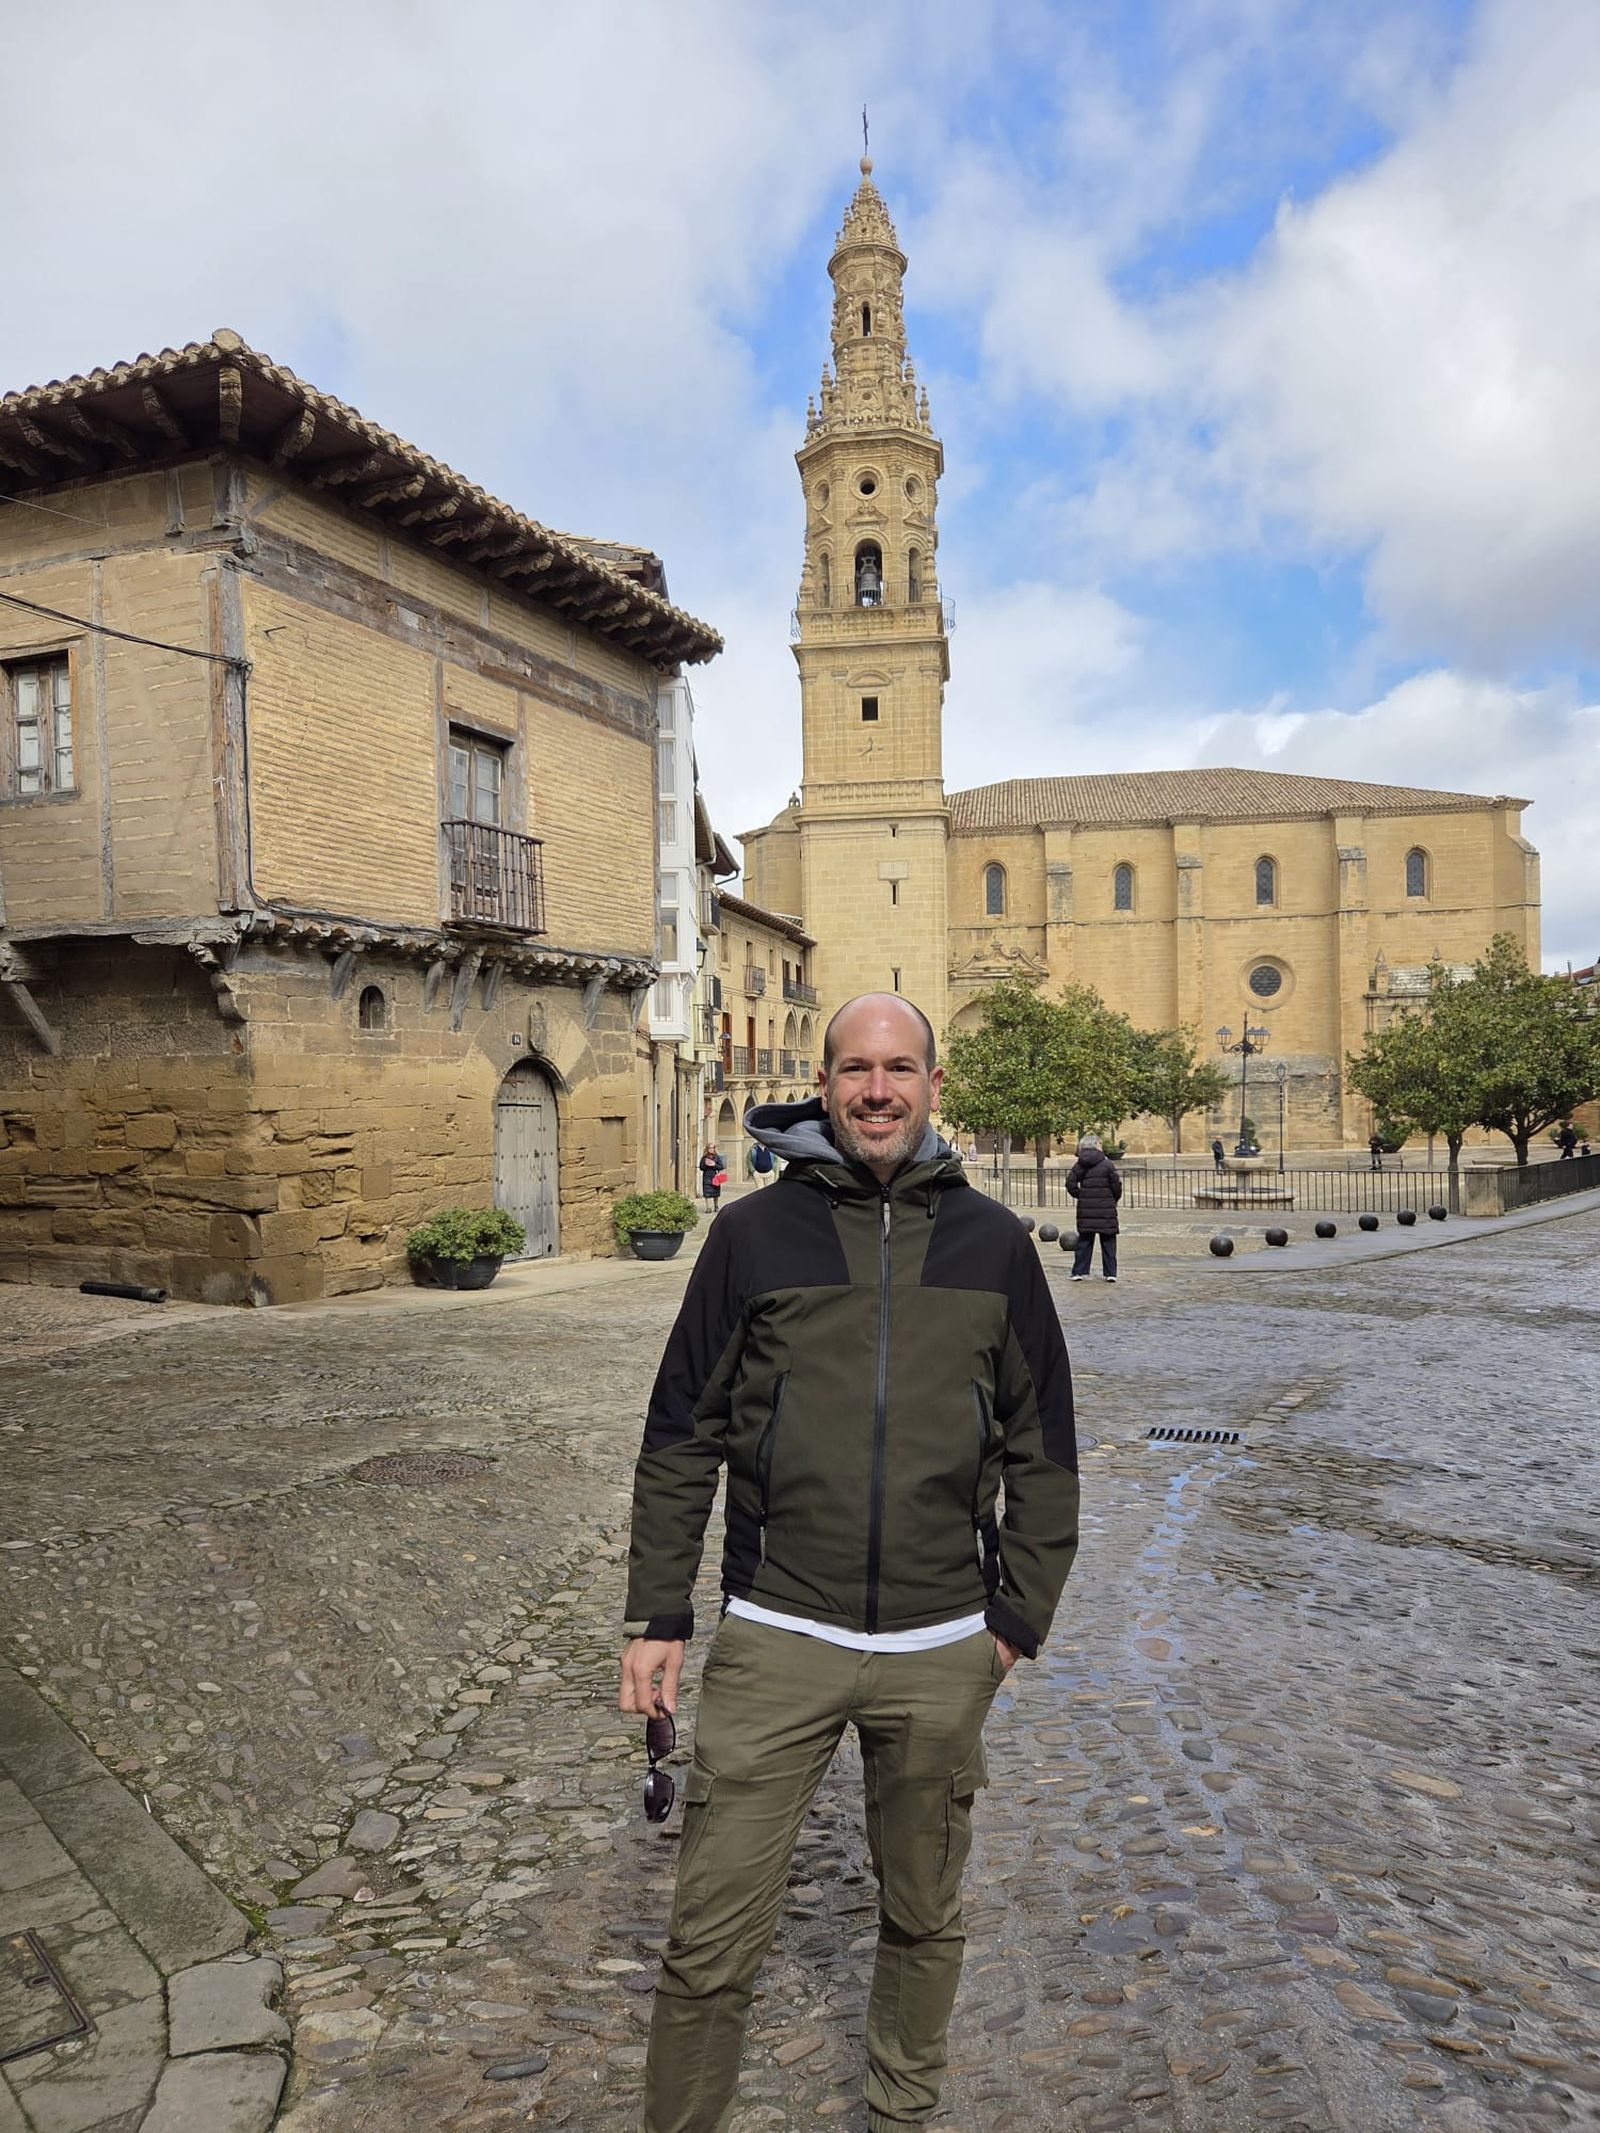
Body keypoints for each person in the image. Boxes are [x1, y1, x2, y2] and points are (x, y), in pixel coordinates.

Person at [619, 994, 1079, 2133]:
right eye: (856, 1069)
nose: (878, 1089)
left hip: (938, 1651)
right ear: (822, 1085)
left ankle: (899, 2113)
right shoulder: (752, 1236)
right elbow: (684, 1428)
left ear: (932, 1086)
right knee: (709, 1943)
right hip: (780, 1638)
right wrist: (657, 1613)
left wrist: (1017, 1617)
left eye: (901, 1068)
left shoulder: (993, 1245)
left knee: (924, 1919)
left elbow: (1045, 1448)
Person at [1066, 1133, 1122, 1282]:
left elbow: (1070, 1183)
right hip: (1106, 1208)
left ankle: (1078, 1271)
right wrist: (1113, 1198)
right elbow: (1116, 1185)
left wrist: (1081, 1195)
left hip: (1086, 1208)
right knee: (1108, 1241)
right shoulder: (1107, 1164)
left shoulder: (1079, 1164)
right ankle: (1110, 1273)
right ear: (1096, 1144)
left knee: (1084, 1241)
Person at [698, 1145, 723, 1213]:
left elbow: (721, 1166)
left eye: (712, 1148)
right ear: (707, 1149)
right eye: (710, 1148)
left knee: (716, 1192)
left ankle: (716, 1206)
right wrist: (706, 1165)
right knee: (707, 1192)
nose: (711, 1149)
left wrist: (714, 1164)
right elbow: (701, 1167)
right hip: (707, 1176)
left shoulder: (717, 1157)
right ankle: (708, 1208)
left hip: (715, 1176)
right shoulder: (704, 1158)